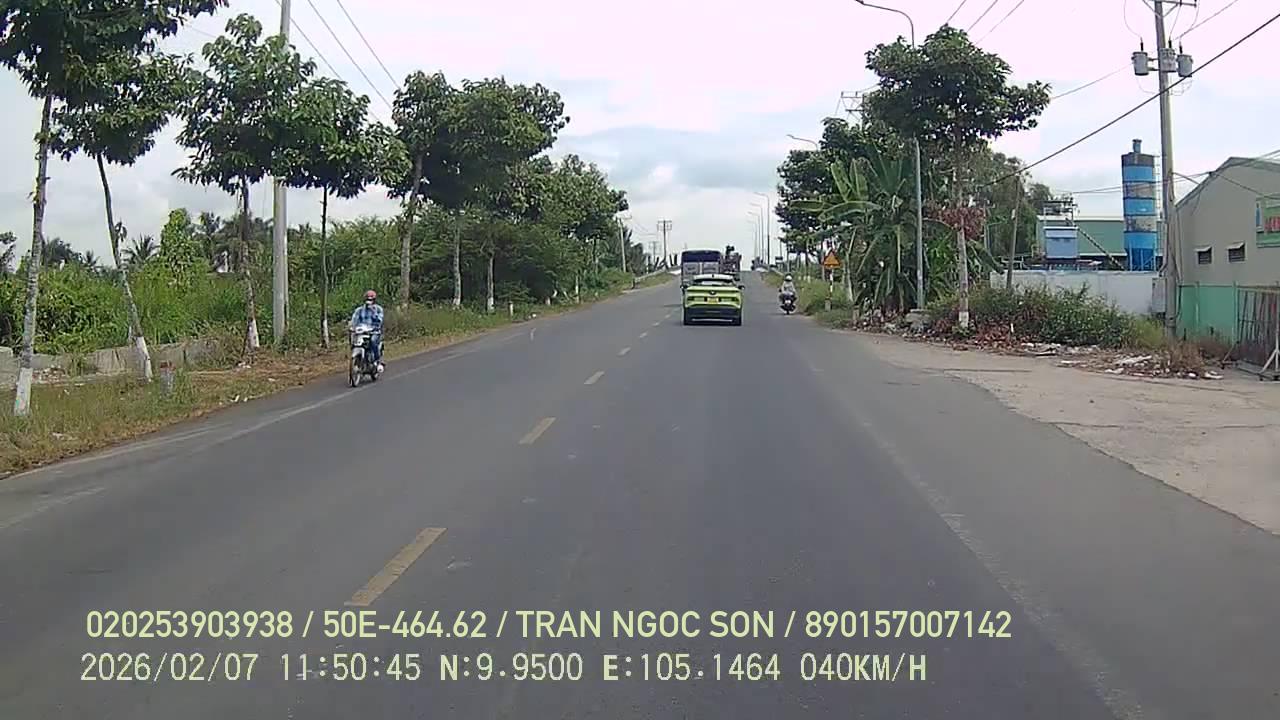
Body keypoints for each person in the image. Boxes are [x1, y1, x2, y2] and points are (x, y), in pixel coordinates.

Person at [349, 290, 385, 373]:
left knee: (373, 341)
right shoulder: (359, 310)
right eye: (367, 299)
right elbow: (354, 319)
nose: (369, 302)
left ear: (374, 300)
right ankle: (359, 360)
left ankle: (377, 361)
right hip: (362, 331)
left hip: (374, 331)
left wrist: (373, 312)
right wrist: (352, 326)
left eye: (371, 300)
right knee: (354, 341)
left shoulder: (378, 309)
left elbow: (380, 320)